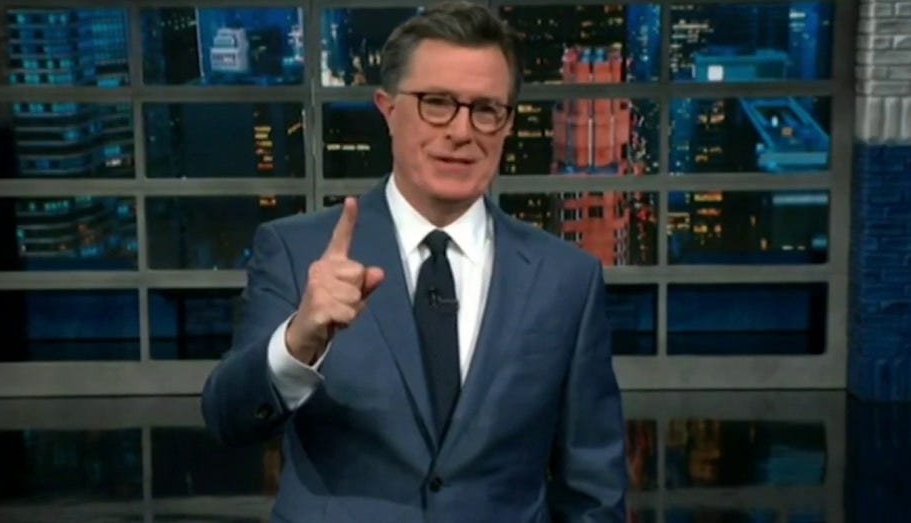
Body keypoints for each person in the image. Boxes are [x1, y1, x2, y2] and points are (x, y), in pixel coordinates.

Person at [201, 2, 628, 521]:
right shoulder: (297, 251)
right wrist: (299, 340)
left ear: (508, 124)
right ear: (388, 108)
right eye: (437, 103)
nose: (462, 131)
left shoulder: (566, 279)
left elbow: (594, 488)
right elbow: (228, 419)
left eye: (486, 109)